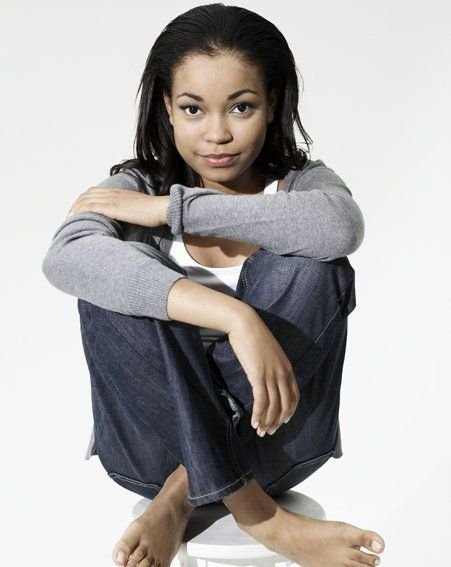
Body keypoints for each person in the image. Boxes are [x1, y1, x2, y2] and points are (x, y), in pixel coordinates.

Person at [42, 3, 385, 567]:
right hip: (148, 450)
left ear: (273, 103)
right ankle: (259, 515)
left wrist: (172, 210)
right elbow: (66, 257)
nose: (217, 134)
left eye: (242, 107)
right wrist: (235, 317)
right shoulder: (134, 185)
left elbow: (341, 227)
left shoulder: (299, 186)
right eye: (193, 109)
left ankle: (181, 493)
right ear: (167, 109)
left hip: (276, 444)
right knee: (115, 277)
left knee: (315, 267)